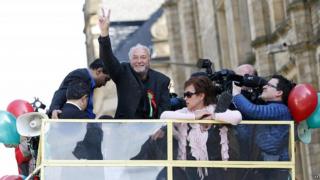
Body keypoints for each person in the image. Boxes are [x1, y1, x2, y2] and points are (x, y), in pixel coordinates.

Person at [159, 76, 242, 180]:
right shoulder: (185, 112)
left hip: (217, 172)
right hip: (190, 173)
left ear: (201, 95)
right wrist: (194, 117)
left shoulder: (215, 109)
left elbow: (237, 117)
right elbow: (164, 116)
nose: (185, 98)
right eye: (184, 95)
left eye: (189, 95)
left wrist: (213, 117)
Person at [98, 8, 170, 119]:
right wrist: (104, 33)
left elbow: (164, 109)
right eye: (135, 58)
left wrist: (160, 128)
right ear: (130, 61)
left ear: (149, 60)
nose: (139, 61)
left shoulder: (162, 81)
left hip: (152, 132)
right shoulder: (123, 72)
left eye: (143, 57)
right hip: (126, 130)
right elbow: (107, 59)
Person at [232, 74, 295, 180]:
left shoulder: (281, 109)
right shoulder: (271, 107)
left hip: (276, 169)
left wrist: (236, 93)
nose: (264, 87)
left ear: (279, 93)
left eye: (269, 85)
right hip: (265, 166)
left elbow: (253, 110)